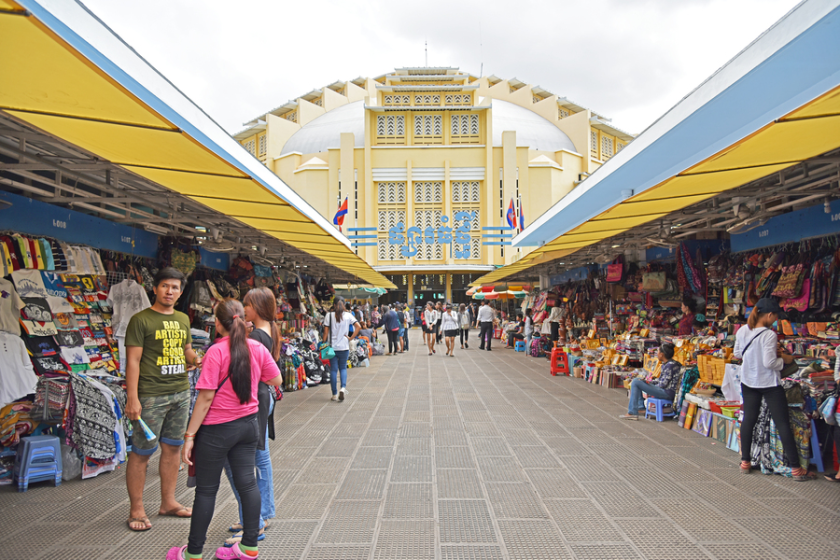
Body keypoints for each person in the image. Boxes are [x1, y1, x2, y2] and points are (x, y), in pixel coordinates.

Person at [167, 299, 282, 560]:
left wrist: (189, 435)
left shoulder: (215, 353)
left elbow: (205, 398)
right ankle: (249, 547)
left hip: (216, 431)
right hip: (248, 426)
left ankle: (193, 552)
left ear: (218, 324)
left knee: (207, 491)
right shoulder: (255, 348)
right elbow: (276, 379)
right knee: (248, 485)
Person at [124, 267, 200, 532]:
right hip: (151, 396)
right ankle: (137, 509)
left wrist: (198, 359)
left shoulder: (182, 319)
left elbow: (187, 350)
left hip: (180, 393)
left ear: (180, 292)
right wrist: (132, 398)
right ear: (155, 288)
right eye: (165, 286)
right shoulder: (140, 320)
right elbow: (132, 361)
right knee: (142, 452)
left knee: (172, 449)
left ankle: (168, 502)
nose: (170, 291)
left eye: (175, 287)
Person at [223, 288, 280, 546]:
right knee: (262, 457)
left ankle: (255, 517)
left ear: (257, 306)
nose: (244, 308)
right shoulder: (270, 329)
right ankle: (262, 513)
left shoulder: (256, 335)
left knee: (252, 459)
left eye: (247, 304)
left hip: (256, 399)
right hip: (264, 397)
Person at [734, 298, 813, 481]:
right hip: (768, 384)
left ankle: (745, 462)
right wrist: (784, 360)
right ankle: (795, 468)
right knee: (782, 423)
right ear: (769, 315)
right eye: (776, 316)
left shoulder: (743, 330)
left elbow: (738, 354)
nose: (776, 320)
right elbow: (769, 363)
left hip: (749, 382)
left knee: (749, 420)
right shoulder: (769, 335)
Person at [620, 342, 682, 420]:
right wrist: (648, 382)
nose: (657, 354)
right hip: (665, 390)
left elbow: (663, 384)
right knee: (638, 380)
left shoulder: (670, 365)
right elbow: (660, 380)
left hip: (667, 392)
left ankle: (632, 412)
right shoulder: (668, 364)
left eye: (658, 352)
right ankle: (640, 407)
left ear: (662, 354)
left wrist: (649, 386)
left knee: (636, 382)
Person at [323, 298, 359, 401]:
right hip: (344, 347)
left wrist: (323, 343)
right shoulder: (348, 315)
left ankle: (334, 394)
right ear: (344, 305)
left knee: (333, 369)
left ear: (334, 305)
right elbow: (358, 326)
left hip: (331, 347)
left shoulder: (328, 316)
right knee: (343, 368)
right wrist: (351, 338)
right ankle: (343, 388)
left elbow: (325, 333)